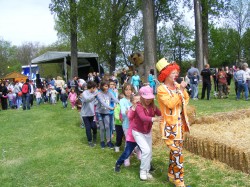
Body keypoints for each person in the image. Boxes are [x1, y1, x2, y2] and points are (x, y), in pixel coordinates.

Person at [156, 58, 191, 187]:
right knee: (177, 153)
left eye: (176, 72)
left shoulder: (176, 86)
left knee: (175, 152)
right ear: (165, 75)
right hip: (169, 128)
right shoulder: (161, 89)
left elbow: (186, 99)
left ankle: (171, 175)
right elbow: (170, 104)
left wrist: (181, 93)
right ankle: (179, 181)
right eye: (173, 73)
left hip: (180, 126)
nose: (176, 75)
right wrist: (180, 92)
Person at [131, 85, 161, 181]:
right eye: (146, 98)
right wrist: (155, 119)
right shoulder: (139, 106)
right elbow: (143, 118)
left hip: (147, 131)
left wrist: (168, 114)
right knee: (146, 151)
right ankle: (142, 172)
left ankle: (147, 171)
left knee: (149, 152)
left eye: (150, 98)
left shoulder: (153, 106)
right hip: (138, 132)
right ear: (142, 97)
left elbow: (160, 113)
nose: (148, 100)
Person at [114, 94, 142, 172]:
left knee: (145, 150)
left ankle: (148, 166)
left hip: (140, 134)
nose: (138, 101)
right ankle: (118, 163)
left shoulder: (142, 109)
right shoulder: (131, 110)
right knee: (127, 152)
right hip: (132, 136)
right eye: (136, 100)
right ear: (132, 102)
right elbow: (130, 116)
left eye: (140, 99)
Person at [96, 81, 119, 149]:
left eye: (107, 86)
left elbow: (115, 99)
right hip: (99, 112)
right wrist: (111, 108)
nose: (107, 87)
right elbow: (103, 103)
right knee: (102, 128)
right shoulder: (99, 93)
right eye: (105, 86)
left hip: (106, 112)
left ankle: (109, 141)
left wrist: (121, 102)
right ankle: (102, 141)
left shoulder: (109, 93)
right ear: (102, 86)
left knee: (107, 126)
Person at [81, 81, 99, 147]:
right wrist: (94, 95)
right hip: (85, 114)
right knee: (88, 127)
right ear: (92, 88)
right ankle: (90, 141)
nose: (95, 90)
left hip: (91, 113)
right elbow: (87, 99)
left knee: (94, 126)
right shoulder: (84, 93)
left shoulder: (93, 93)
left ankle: (94, 137)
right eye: (94, 88)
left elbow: (95, 102)